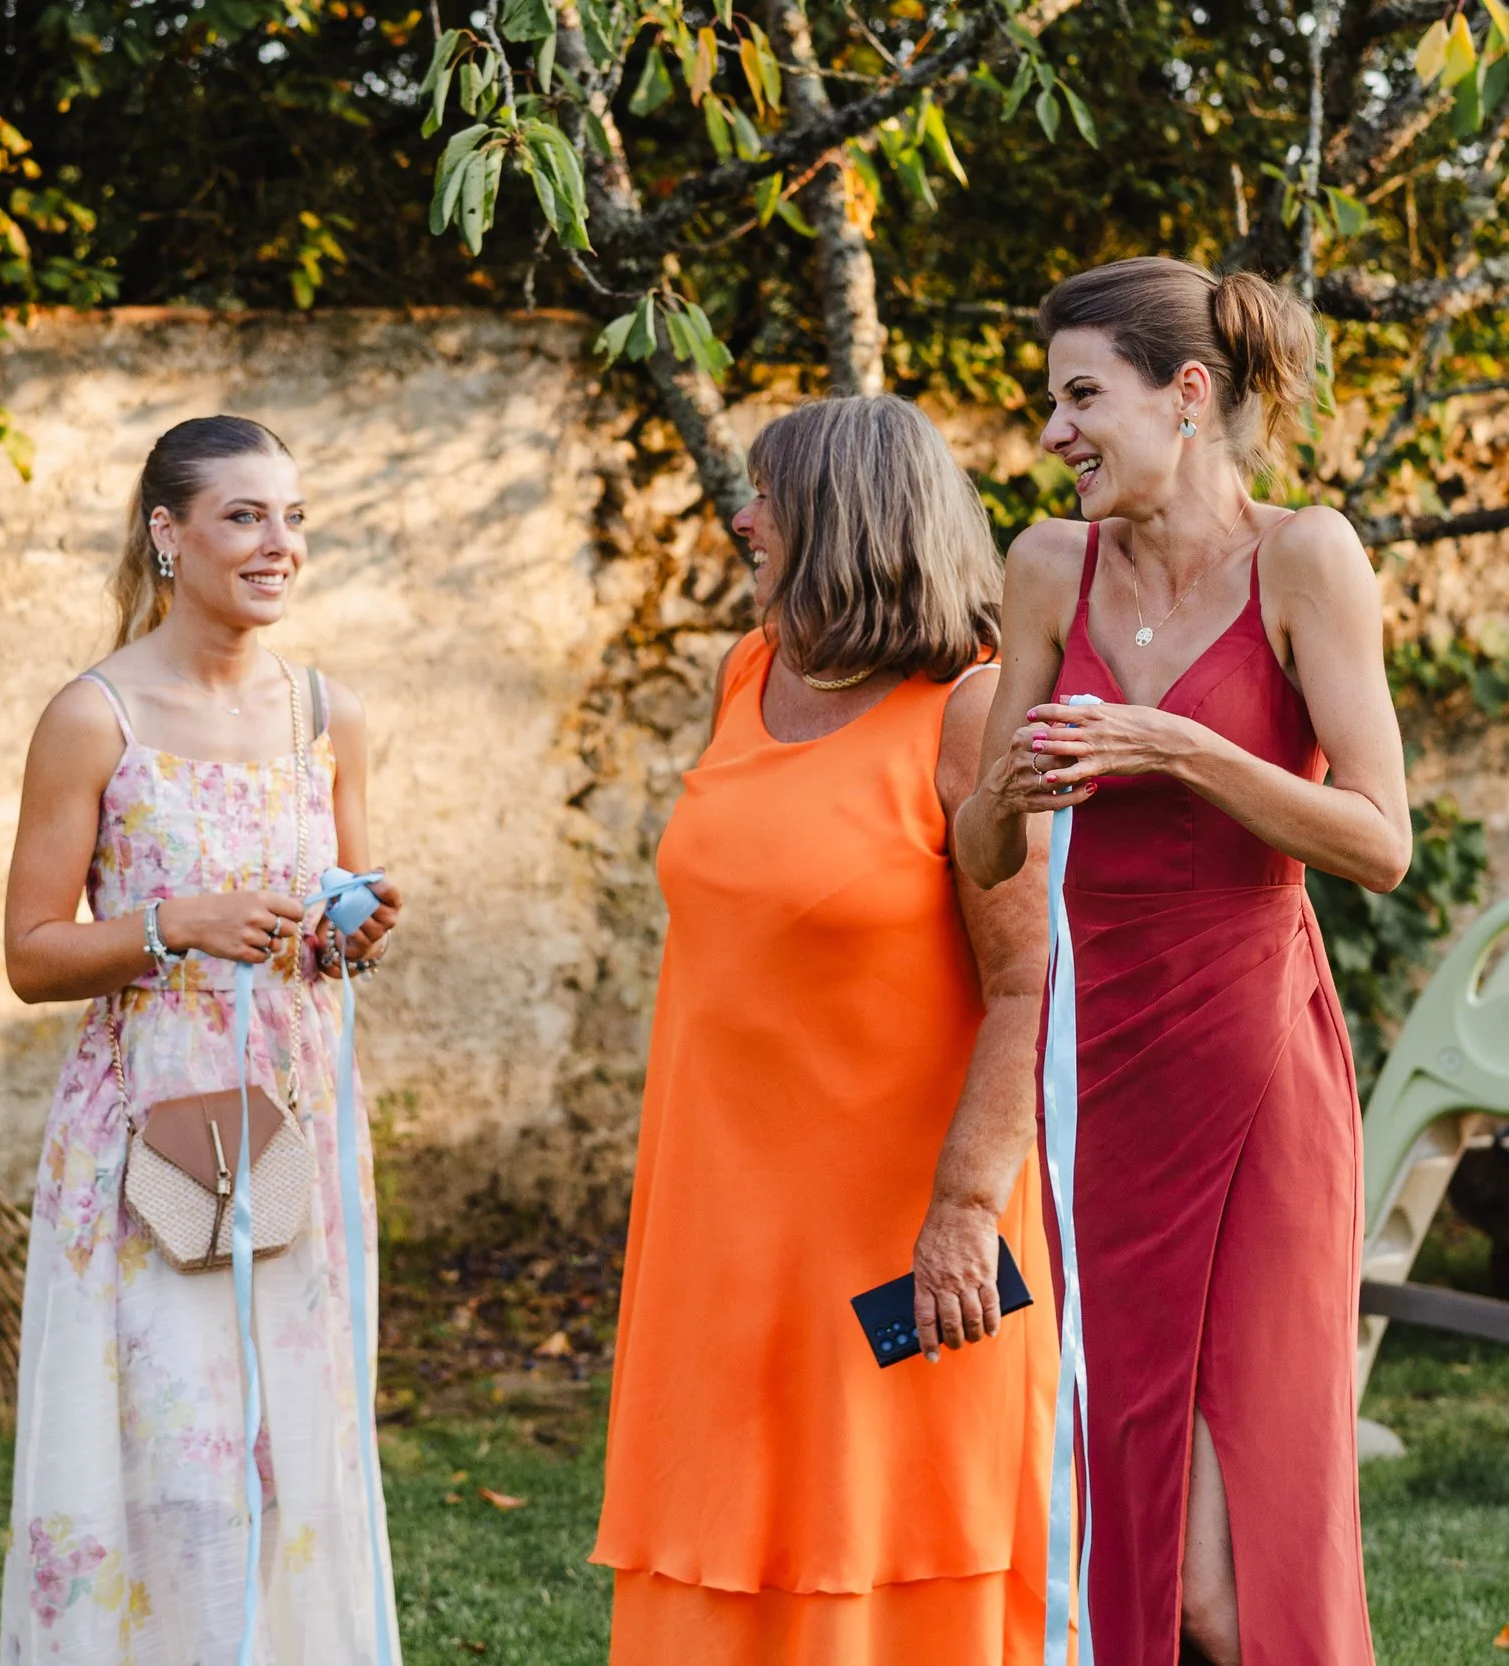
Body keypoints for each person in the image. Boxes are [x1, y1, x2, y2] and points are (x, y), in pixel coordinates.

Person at [955, 257, 1406, 1666]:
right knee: (1137, 1500)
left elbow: (1380, 842)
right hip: (1104, 1073)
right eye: (1052, 403)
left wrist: (1181, 748)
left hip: (1263, 1047)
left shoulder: (1306, 555)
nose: (1053, 433)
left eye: (1082, 396)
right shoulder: (1046, 566)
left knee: (1251, 1538)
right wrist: (1000, 799)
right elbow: (977, 855)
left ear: (1188, 394)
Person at [595, 395, 1061, 1665]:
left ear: (845, 521)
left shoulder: (969, 715)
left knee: (888, 1540)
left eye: (767, 498)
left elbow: (1030, 983)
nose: (742, 518)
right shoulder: (744, 674)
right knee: (715, 1527)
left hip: (905, 1230)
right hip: (716, 1220)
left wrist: (966, 1207)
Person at [0, 415, 401, 1661]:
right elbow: (29, 953)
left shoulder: (328, 712)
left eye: (291, 517)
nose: (278, 544)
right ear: (169, 533)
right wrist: (176, 922)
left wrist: (352, 930)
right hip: (146, 1131)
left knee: (293, 1443)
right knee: (170, 1451)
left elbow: (330, 910)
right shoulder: (94, 714)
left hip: (295, 1119)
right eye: (244, 516)